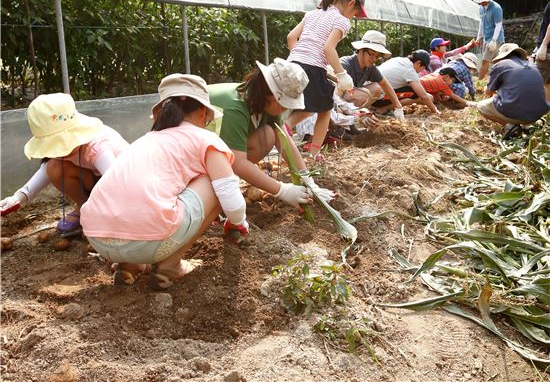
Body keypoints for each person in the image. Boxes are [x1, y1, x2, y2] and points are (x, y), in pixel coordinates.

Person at [81, 74, 248, 289]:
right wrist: (238, 222)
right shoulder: (205, 139)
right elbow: (231, 200)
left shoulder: (144, 141)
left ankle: (128, 265)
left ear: (160, 113)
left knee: (143, 194)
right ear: (203, 112)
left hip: (98, 239)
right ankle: (170, 265)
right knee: (214, 182)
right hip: (149, 241)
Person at [208, 58, 335, 207]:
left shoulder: (263, 103)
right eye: (283, 104)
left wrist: (308, 181)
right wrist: (282, 190)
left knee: (269, 134)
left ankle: (218, 184)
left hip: (210, 156)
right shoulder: (235, 108)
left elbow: (284, 140)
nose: (285, 110)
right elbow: (238, 163)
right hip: (186, 159)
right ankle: (211, 189)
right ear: (271, 94)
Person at [0, 93, 128, 237]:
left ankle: (97, 213)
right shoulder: (59, 156)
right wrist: (17, 198)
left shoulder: (98, 147)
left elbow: (120, 184)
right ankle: (84, 208)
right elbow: (46, 171)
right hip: (97, 181)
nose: (57, 151)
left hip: (125, 186)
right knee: (54, 167)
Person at [284, 0, 368, 160]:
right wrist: (341, 74)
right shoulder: (341, 21)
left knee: (311, 107)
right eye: (355, 14)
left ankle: (295, 136)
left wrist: (300, 56)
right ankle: (311, 150)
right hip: (312, 68)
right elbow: (328, 49)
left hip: (292, 64)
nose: (353, 17)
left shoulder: (312, 14)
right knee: (326, 108)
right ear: (351, 3)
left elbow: (291, 37)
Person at [477, 43, 549, 138]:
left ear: (503, 56)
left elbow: (489, 93)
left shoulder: (501, 64)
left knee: (481, 106)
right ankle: (525, 126)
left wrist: (488, 89)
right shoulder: (532, 65)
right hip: (536, 115)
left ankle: (510, 126)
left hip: (514, 112)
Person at [338, 30, 405, 121]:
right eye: (371, 54)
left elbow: (384, 83)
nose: (374, 59)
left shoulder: (370, 67)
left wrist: (398, 106)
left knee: (377, 87)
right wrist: (355, 111)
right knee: (364, 94)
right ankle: (353, 118)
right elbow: (333, 97)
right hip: (337, 102)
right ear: (361, 50)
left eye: (377, 56)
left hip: (350, 101)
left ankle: (357, 117)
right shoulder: (345, 64)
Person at [371, 50, 440, 115]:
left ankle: (384, 107)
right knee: (425, 96)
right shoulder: (410, 70)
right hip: (377, 99)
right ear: (418, 63)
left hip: (370, 93)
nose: (421, 71)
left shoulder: (399, 60)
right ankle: (384, 109)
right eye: (423, 68)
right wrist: (435, 111)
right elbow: (423, 96)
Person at [398, 67, 474, 109]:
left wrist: (440, 102)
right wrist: (468, 103)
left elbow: (436, 94)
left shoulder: (435, 76)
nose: (452, 83)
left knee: (430, 98)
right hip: (410, 91)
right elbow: (453, 95)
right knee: (428, 98)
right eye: (453, 80)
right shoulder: (441, 83)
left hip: (409, 87)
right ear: (447, 76)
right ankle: (397, 105)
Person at [473, 0, 505, 80]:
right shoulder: (481, 8)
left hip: (496, 39)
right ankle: (501, 79)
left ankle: (478, 82)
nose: (481, 2)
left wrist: (494, 40)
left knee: (485, 61)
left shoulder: (496, 8)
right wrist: (479, 36)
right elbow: (482, 22)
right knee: (497, 61)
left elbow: (498, 25)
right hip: (487, 38)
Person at [532, 0, 550, 101]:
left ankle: (539, 114)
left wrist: (543, 45)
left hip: (548, 51)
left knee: (537, 82)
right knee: (547, 83)